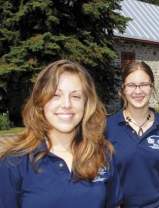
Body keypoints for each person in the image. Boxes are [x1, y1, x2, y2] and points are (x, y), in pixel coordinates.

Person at [0, 60, 120, 208]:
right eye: (56, 95)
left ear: (86, 104)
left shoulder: (103, 154)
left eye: (76, 96)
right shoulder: (14, 163)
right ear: (40, 101)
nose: (66, 104)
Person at [106, 62, 159, 208]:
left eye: (144, 84)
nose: (138, 91)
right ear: (123, 89)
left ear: (152, 87)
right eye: (131, 85)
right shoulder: (108, 127)